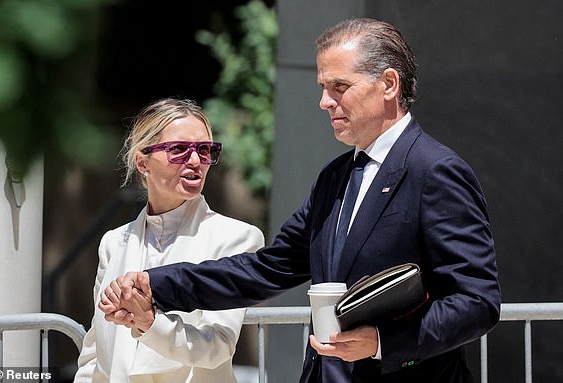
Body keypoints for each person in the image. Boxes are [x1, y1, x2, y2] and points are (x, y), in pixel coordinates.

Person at [100, 18, 501, 382]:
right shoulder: (336, 177)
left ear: (389, 85)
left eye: (339, 88)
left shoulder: (435, 171)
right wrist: (156, 284)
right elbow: (265, 269)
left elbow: (477, 301)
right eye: (323, 88)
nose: (325, 102)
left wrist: (381, 341)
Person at [73, 98, 265, 383]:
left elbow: (218, 346)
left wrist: (150, 324)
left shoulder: (236, 238)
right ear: (142, 162)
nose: (196, 161)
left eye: (204, 150)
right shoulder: (114, 243)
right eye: (178, 150)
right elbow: (95, 356)